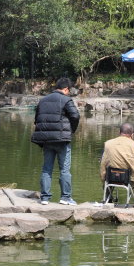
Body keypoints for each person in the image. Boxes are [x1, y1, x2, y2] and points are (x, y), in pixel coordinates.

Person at [31, 77, 80, 205]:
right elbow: (75, 115)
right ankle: (65, 197)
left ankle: (45, 198)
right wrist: (71, 130)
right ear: (65, 89)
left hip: (46, 140)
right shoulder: (66, 99)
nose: (69, 93)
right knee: (64, 169)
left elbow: (37, 119)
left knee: (46, 168)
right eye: (68, 90)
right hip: (62, 140)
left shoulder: (43, 100)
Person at [100, 123, 134, 208]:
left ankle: (108, 198)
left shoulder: (108, 143)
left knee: (107, 172)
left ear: (119, 132)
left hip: (110, 177)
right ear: (132, 134)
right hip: (128, 178)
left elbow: (102, 160)